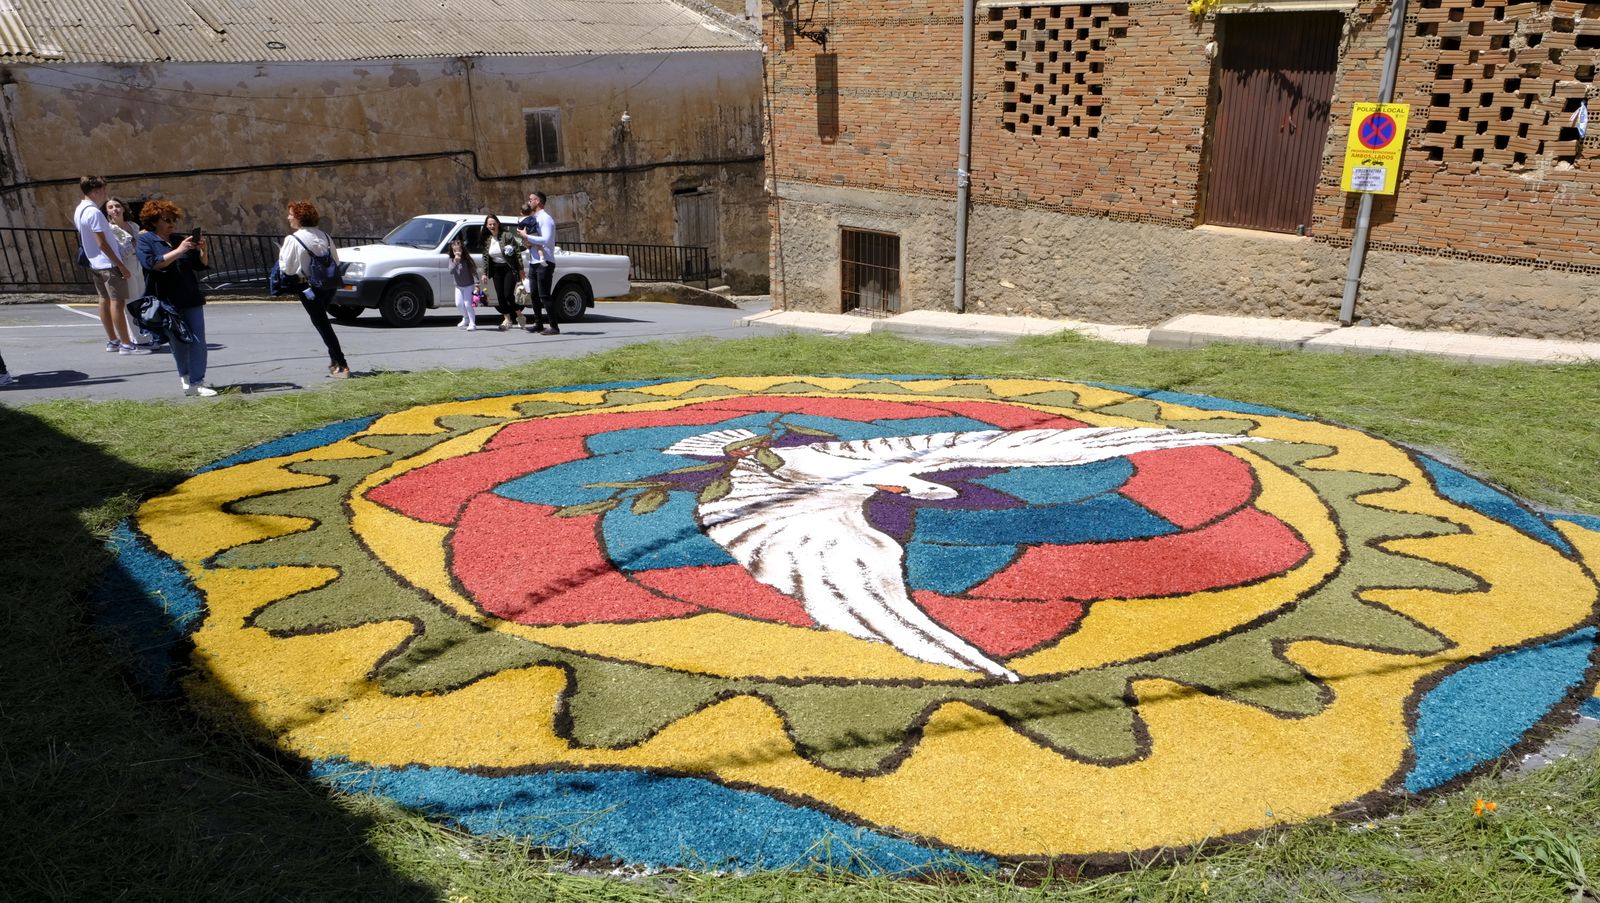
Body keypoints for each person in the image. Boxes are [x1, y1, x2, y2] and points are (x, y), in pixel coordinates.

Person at [136, 199, 216, 397]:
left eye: (174, 219)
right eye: (166, 219)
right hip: (165, 301)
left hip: (190, 296)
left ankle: (198, 382)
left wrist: (203, 250)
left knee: (198, 341)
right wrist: (179, 251)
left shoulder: (179, 239)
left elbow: (199, 265)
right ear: (154, 221)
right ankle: (186, 377)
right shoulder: (146, 241)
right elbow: (152, 264)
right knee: (178, 342)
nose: (172, 223)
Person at [74, 176, 148, 355]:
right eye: (103, 190)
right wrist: (120, 265)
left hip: (95, 263)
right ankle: (126, 344)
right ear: (97, 190)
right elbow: (102, 243)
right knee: (118, 303)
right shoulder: (94, 212)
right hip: (107, 263)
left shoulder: (79, 210)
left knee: (104, 301)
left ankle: (113, 341)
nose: (105, 194)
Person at [277, 201, 351, 379]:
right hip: (329, 285)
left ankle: (342, 365)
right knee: (322, 321)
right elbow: (336, 260)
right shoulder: (325, 236)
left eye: (291, 215)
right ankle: (334, 362)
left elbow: (287, 268)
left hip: (308, 287)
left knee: (323, 325)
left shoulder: (292, 239)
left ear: (299, 218)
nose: (288, 218)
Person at [104, 197, 160, 348]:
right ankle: (137, 338)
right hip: (125, 265)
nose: (114, 209)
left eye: (117, 206)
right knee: (132, 302)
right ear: (107, 212)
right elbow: (121, 250)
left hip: (138, 264)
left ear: (123, 208)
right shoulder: (109, 230)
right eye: (110, 207)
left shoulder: (133, 226)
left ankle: (147, 333)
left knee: (143, 300)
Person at [517, 191, 559, 335]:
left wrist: (527, 236)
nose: (529, 202)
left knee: (544, 295)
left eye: (531, 200)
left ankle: (554, 326)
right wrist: (526, 241)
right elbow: (533, 239)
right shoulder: (533, 218)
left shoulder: (546, 219)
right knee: (534, 294)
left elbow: (546, 239)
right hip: (534, 261)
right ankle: (538, 323)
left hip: (545, 261)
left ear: (538, 201)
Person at [476, 214, 525, 331]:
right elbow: (485, 258)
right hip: (496, 270)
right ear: (487, 226)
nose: (492, 226)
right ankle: (507, 319)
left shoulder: (506, 235)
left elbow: (517, 252)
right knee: (500, 297)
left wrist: (521, 269)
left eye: (494, 224)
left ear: (498, 224)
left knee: (508, 294)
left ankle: (520, 315)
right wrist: (484, 273)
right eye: (490, 224)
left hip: (508, 268)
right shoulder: (487, 239)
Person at [447, 240, 479, 331]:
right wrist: (455, 262)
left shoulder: (467, 260)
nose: (457, 253)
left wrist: (477, 284)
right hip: (458, 286)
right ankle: (466, 318)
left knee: (468, 304)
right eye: (454, 251)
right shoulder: (452, 260)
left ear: (462, 250)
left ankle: (472, 324)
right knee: (459, 304)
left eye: (459, 250)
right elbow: (451, 271)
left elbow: (474, 272)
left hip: (468, 285)